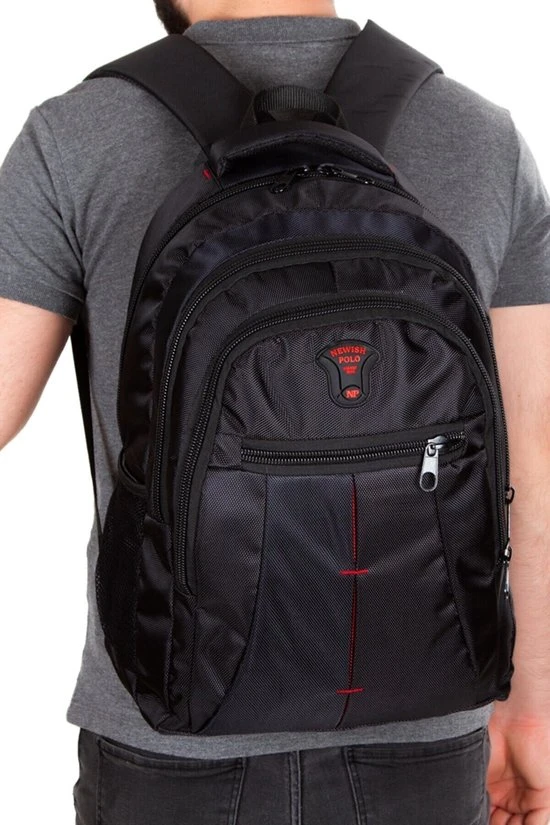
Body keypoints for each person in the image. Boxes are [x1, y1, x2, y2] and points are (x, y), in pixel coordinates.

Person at [0, 1, 549, 823]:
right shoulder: (481, 135)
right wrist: (530, 708)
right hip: (426, 732)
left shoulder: (76, 135)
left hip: (174, 731)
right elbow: (531, 455)